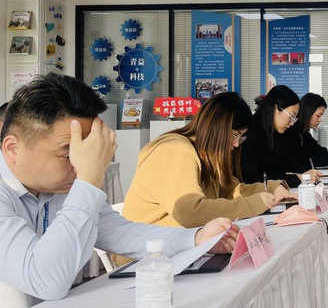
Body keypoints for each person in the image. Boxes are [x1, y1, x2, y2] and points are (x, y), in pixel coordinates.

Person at [0, 74, 237, 306]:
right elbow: (45, 281)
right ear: (12, 149)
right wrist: (87, 181)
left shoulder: (58, 185)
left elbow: (119, 233)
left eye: (84, 153)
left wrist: (196, 239)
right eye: (68, 154)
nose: (79, 166)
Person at [123, 92, 295, 229]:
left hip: (180, 244)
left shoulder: (207, 155)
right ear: (216, 127)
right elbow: (191, 212)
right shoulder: (174, 149)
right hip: (146, 254)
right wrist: (254, 203)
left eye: (241, 137)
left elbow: (232, 190)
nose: (236, 144)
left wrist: (271, 188)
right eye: (235, 135)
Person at [240, 86, 322, 187]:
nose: (292, 123)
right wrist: (298, 178)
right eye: (291, 116)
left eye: (294, 119)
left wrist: (301, 174)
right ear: (276, 108)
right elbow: (254, 179)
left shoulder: (277, 133)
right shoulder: (249, 134)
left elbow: (285, 167)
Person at [290, 93, 328, 168]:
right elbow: (304, 161)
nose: (320, 120)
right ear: (308, 112)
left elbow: (320, 152)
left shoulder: (304, 134)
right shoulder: (292, 132)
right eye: (318, 115)